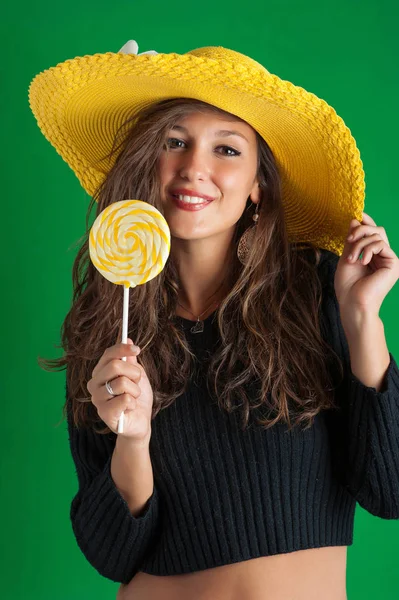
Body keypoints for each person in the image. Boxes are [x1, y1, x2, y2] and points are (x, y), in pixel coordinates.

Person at [29, 40, 399, 600]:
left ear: (258, 186)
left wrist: (361, 320)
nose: (194, 167)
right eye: (175, 142)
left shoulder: (317, 291)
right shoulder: (110, 327)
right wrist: (133, 439)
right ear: (148, 162)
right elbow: (112, 555)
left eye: (226, 150)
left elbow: (389, 491)